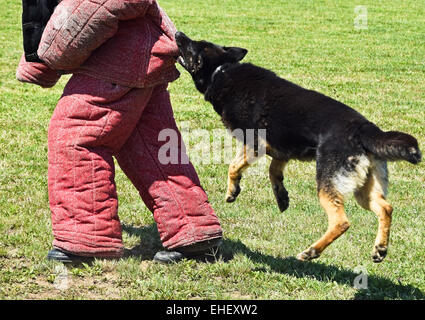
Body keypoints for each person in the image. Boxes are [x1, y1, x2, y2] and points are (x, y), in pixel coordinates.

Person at [16, 0, 223, 263]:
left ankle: (86, 237)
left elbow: (93, 6)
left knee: (77, 135)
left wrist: (47, 57)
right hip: (141, 51)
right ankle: (195, 232)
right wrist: (38, 59)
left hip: (120, 57)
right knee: (151, 146)